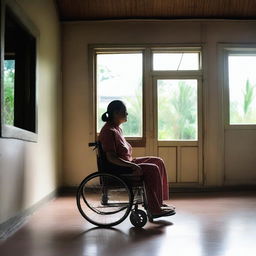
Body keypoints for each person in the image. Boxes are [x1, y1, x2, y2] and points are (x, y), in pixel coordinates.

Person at [98, 100, 176, 219]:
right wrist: (133, 166)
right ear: (116, 113)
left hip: (127, 163)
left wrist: (132, 164)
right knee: (152, 169)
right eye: (125, 111)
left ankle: (158, 203)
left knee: (158, 161)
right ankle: (154, 209)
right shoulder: (108, 131)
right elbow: (111, 158)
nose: (127, 114)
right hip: (119, 168)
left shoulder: (117, 128)